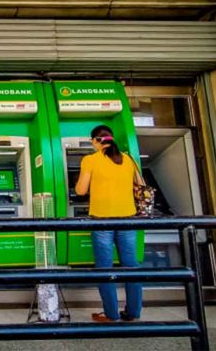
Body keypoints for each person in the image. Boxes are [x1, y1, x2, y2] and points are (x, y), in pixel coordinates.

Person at [75, 125, 144, 323]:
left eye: (92, 141)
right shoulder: (128, 159)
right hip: (127, 218)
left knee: (105, 268)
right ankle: (133, 312)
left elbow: (80, 190)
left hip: (102, 219)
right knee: (131, 267)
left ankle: (111, 314)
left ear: (96, 141)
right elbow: (139, 184)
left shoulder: (90, 160)